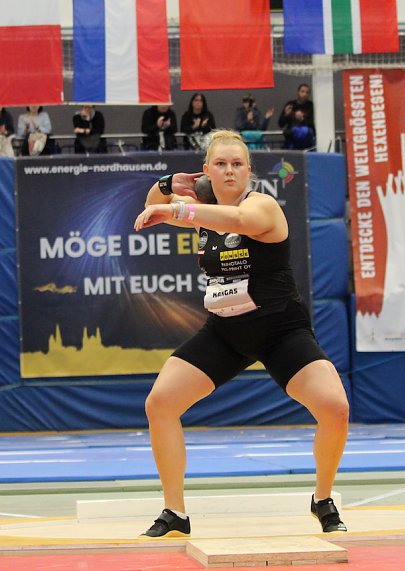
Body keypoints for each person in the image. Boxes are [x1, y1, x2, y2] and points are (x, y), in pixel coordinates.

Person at [133, 130, 349, 538]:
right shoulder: (200, 203)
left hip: (280, 330)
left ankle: (322, 498)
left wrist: (179, 210)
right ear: (206, 172)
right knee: (159, 403)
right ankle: (174, 512)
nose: (229, 170)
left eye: (237, 164)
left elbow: (239, 222)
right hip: (225, 332)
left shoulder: (262, 205)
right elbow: (152, 207)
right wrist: (166, 186)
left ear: (249, 171)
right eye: (220, 164)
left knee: (335, 408)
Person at [278, 83, 315, 149]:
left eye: (307, 92)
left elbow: (312, 124)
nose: (304, 94)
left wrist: (302, 119)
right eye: (302, 91)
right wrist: (286, 115)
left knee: (304, 130)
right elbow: (281, 124)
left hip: (306, 140)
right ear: (298, 92)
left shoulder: (311, 105)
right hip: (291, 140)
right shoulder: (290, 104)